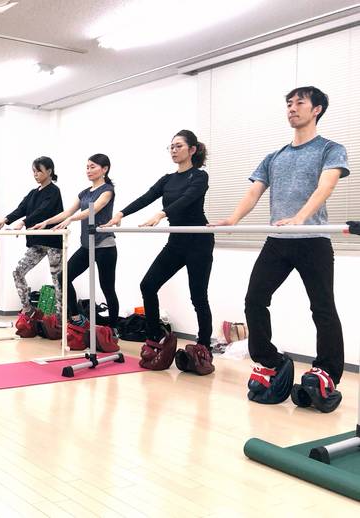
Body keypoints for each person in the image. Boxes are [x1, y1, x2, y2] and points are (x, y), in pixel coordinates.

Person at [214, 86, 349, 412]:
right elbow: (254, 193)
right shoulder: (274, 157)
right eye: (289, 103)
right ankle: (270, 360)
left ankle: (327, 372)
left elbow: (326, 186)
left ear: (316, 109)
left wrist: (300, 218)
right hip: (278, 242)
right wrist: (232, 218)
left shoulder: (330, 149)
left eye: (299, 102)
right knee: (254, 299)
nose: (292, 108)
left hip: (313, 240)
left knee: (322, 308)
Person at [104, 130, 214, 374]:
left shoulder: (200, 176)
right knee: (148, 285)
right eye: (171, 146)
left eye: (179, 146)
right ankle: (155, 336)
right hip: (177, 242)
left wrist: (162, 213)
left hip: (199, 241)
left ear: (192, 150)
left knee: (198, 296)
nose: (174, 150)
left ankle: (204, 344)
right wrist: (121, 213)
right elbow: (146, 197)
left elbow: (188, 199)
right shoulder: (167, 180)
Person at [32, 154, 119, 331]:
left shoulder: (107, 190)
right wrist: (47, 222)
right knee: (63, 277)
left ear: (104, 169)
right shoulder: (84, 193)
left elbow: (93, 210)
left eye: (93, 167)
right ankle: (77, 317)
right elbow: (66, 213)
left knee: (107, 288)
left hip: (104, 245)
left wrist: (72, 219)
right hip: (87, 246)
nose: (88, 170)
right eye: (87, 167)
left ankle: (114, 328)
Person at [0, 156, 63, 317]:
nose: (35, 174)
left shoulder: (54, 191)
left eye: (39, 171)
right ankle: (28, 310)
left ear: (49, 171)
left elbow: (43, 211)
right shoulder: (33, 193)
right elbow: (21, 209)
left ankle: (60, 317)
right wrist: (5, 220)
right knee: (18, 272)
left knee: (58, 280)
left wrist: (23, 222)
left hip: (53, 242)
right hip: (36, 242)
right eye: (33, 171)